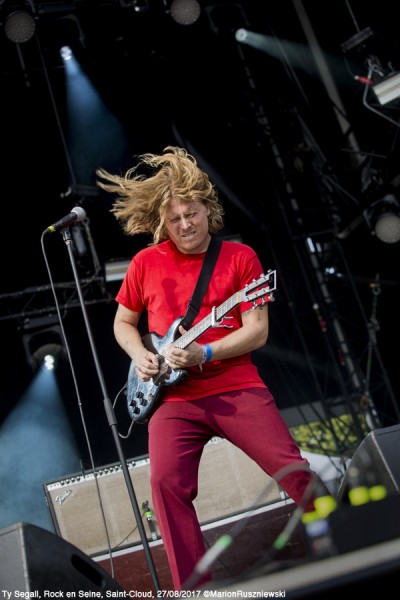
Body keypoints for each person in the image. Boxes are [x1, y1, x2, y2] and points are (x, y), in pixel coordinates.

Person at [96, 146, 329, 591]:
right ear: (163, 222)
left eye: (192, 214)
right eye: (175, 218)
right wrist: (138, 354)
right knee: (166, 486)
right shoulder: (146, 263)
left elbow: (257, 331)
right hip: (173, 398)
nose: (184, 225)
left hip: (235, 386)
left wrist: (205, 354)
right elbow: (123, 322)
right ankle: (194, 589)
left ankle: (351, 538)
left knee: (290, 469)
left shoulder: (241, 260)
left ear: (209, 209)